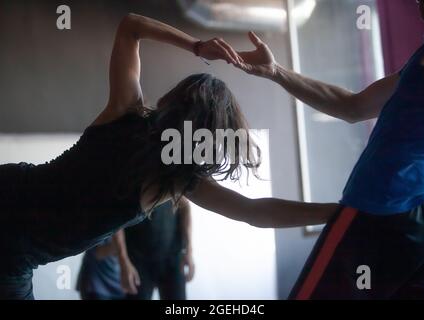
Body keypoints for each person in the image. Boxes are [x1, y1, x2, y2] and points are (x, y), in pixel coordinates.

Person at [0, 12, 336, 300]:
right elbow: (254, 211)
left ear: (174, 100)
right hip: (15, 254)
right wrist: (336, 214)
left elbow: (130, 26)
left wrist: (197, 46)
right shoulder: (181, 181)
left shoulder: (126, 110)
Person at [222, 0, 424, 300]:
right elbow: (353, 106)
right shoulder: (421, 57)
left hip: (381, 211)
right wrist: (275, 71)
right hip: (403, 217)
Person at [118, 199, 194, 300]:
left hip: (172, 257)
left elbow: (184, 205)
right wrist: (123, 261)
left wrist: (189, 250)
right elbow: (116, 219)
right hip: (138, 261)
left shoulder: (172, 182)